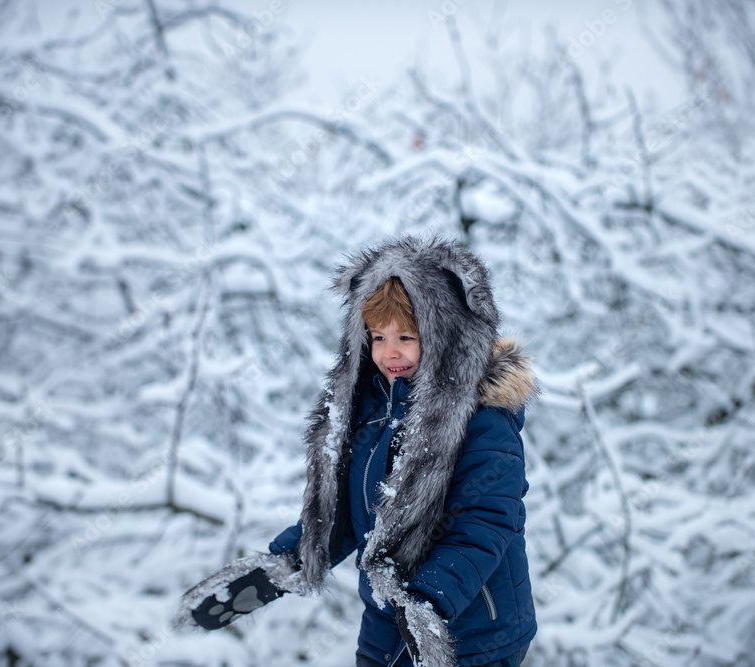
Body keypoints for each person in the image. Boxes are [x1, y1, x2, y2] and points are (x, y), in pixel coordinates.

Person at [175, 237, 537, 667]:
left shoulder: (484, 421)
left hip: (476, 633)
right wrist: (290, 561)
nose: (391, 352)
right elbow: (343, 513)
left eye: (407, 336)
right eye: (378, 337)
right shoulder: (371, 416)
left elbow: (483, 524)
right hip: (386, 624)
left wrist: (428, 602)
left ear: (448, 339)